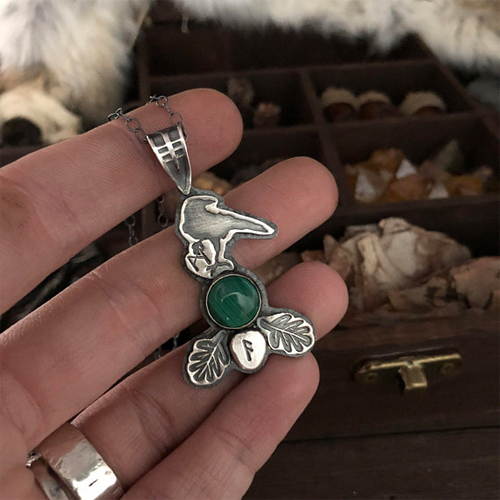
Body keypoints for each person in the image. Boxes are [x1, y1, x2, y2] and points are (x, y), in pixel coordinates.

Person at [0, 89, 348, 499]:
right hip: (224, 294)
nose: (218, 216)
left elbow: (240, 228)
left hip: (229, 289)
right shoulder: (196, 226)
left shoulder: (204, 223)